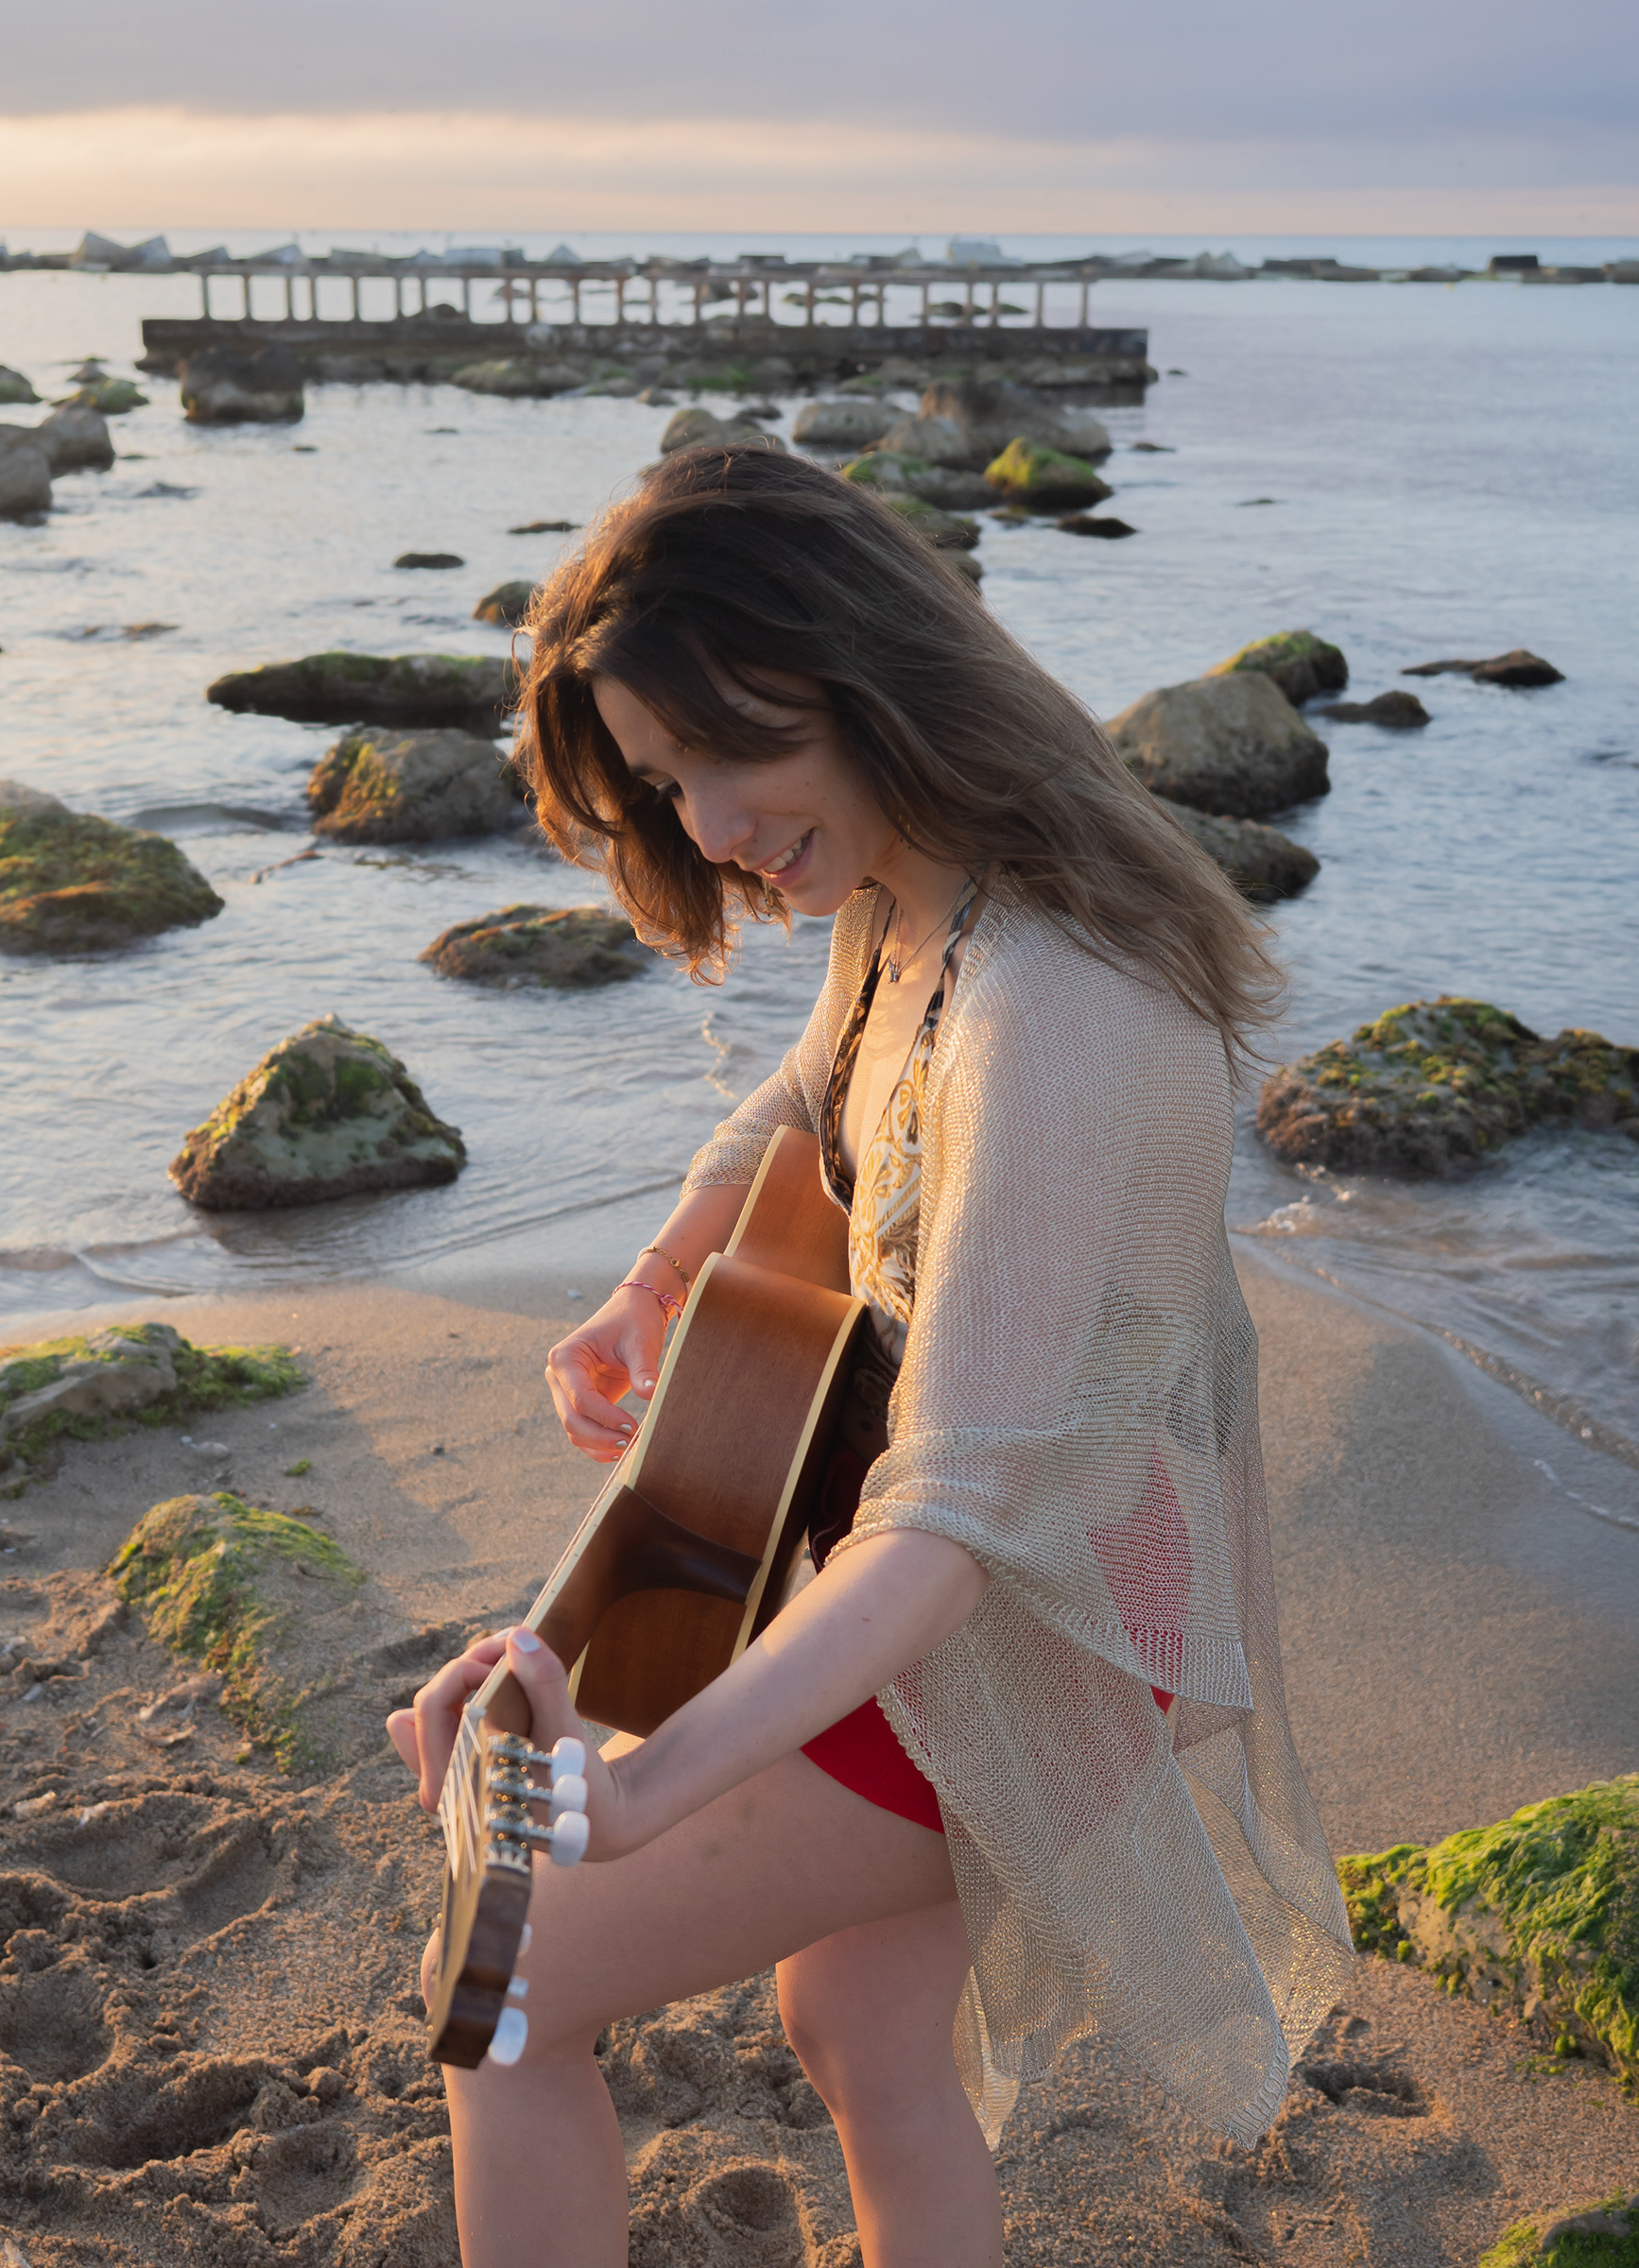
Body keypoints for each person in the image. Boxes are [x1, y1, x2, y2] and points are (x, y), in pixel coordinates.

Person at [389, 444, 1352, 2266]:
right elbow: (812, 1090)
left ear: (855, 670)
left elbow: (955, 1522)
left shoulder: (1052, 1003)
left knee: (503, 1985)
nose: (707, 829)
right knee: (860, 2027)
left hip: (1035, 1624)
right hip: (1024, 1557)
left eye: (721, 755)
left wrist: (641, 1785)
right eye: (665, 784)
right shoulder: (923, 891)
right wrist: (664, 1274)